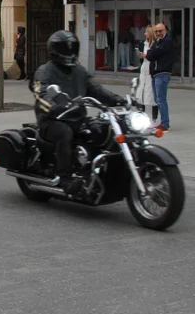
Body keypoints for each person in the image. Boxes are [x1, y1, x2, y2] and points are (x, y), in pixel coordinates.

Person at [32, 31, 125, 194]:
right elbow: (41, 96)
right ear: (54, 50)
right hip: (52, 120)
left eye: (72, 47)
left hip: (76, 116)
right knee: (64, 133)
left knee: (101, 129)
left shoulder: (79, 70)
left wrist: (119, 100)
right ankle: (65, 177)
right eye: (65, 48)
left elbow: (95, 89)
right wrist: (55, 107)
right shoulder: (44, 71)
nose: (69, 51)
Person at [145, 22, 174, 133]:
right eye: (156, 31)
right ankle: (163, 123)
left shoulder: (167, 42)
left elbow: (153, 54)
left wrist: (150, 54)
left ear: (165, 30)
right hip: (156, 73)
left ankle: (165, 124)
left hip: (162, 73)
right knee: (158, 99)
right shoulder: (158, 41)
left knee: (161, 99)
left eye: (160, 31)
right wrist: (150, 54)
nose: (158, 33)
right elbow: (151, 53)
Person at [135, 24, 158, 124]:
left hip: (151, 71)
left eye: (146, 32)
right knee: (141, 93)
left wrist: (146, 55)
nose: (144, 34)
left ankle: (154, 119)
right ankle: (142, 117)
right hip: (144, 69)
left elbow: (154, 56)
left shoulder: (155, 44)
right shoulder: (144, 44)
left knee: (152, 95)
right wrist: (141, 56)